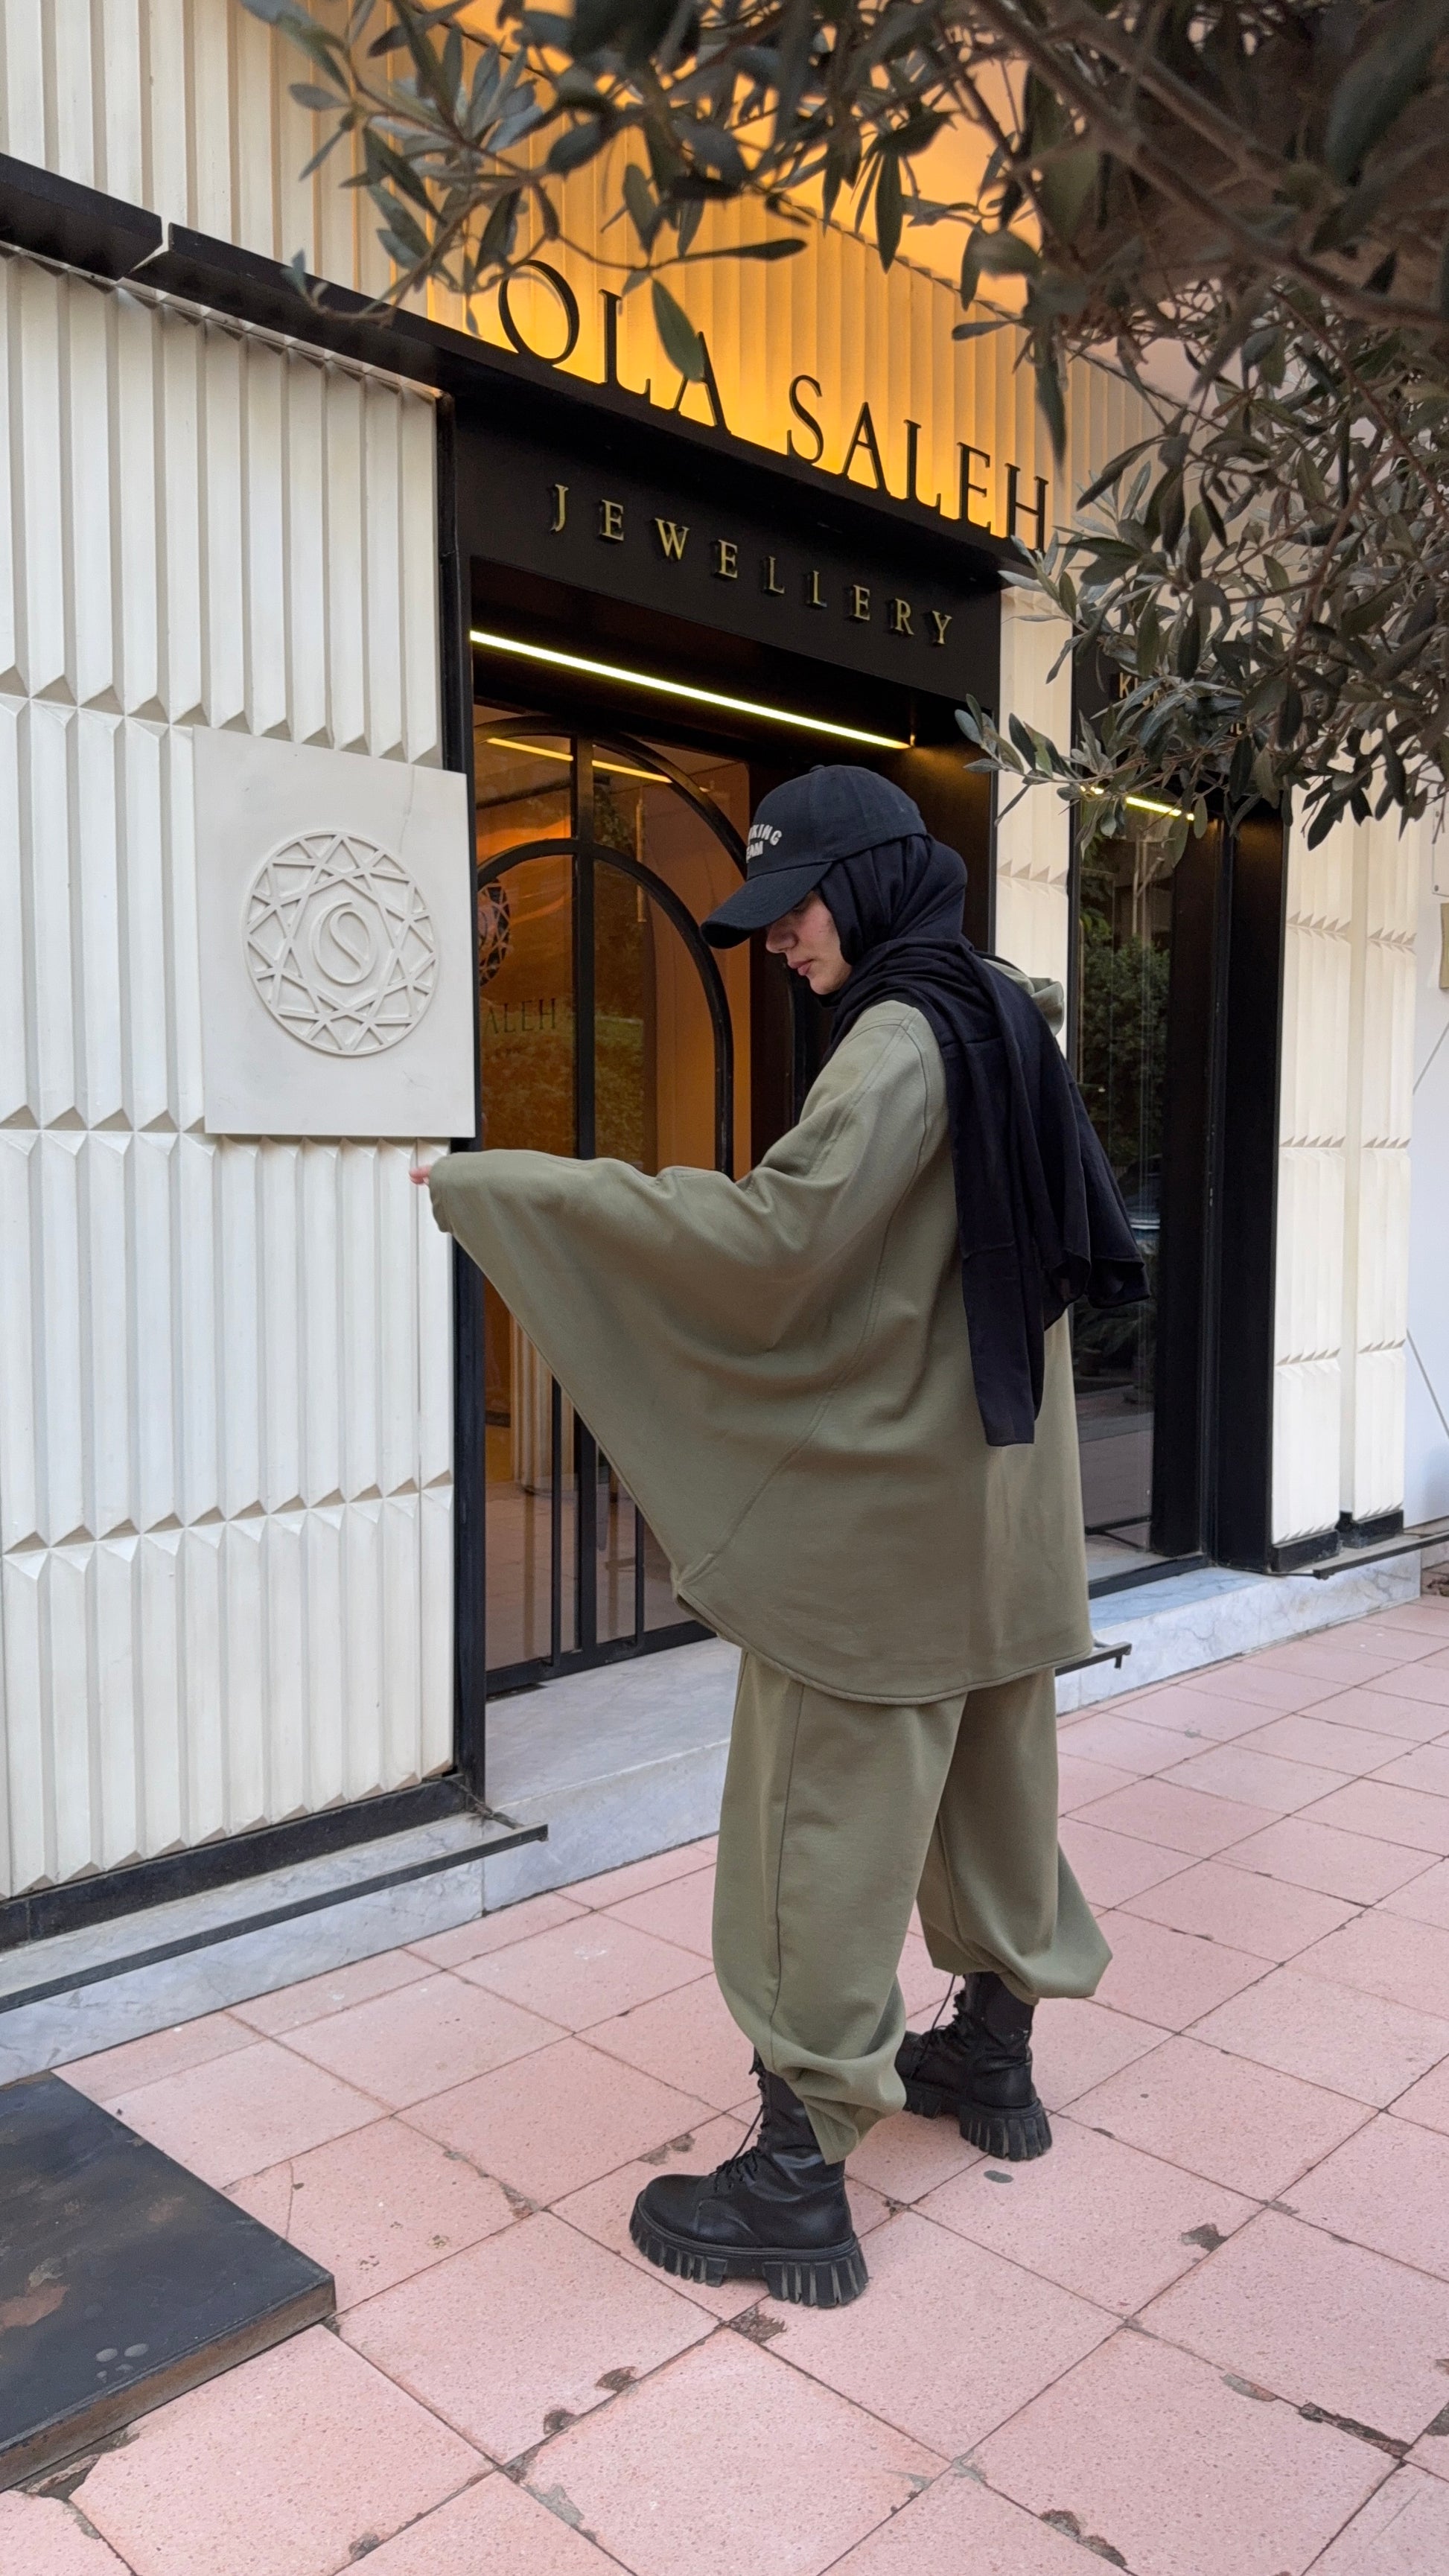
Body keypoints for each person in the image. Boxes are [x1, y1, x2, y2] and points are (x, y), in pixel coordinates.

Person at [418, 765, 1146, 2309]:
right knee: (993, 1782)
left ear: (866, 883)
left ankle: (796, 2179)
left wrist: (515, 1190)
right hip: (998, 1505)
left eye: (795, 905)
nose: (779, 939)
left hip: (885, 1524)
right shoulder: (1000, 1009)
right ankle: (993, 2057)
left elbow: (773, 1245)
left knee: (818, 1821)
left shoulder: (896, 1039)